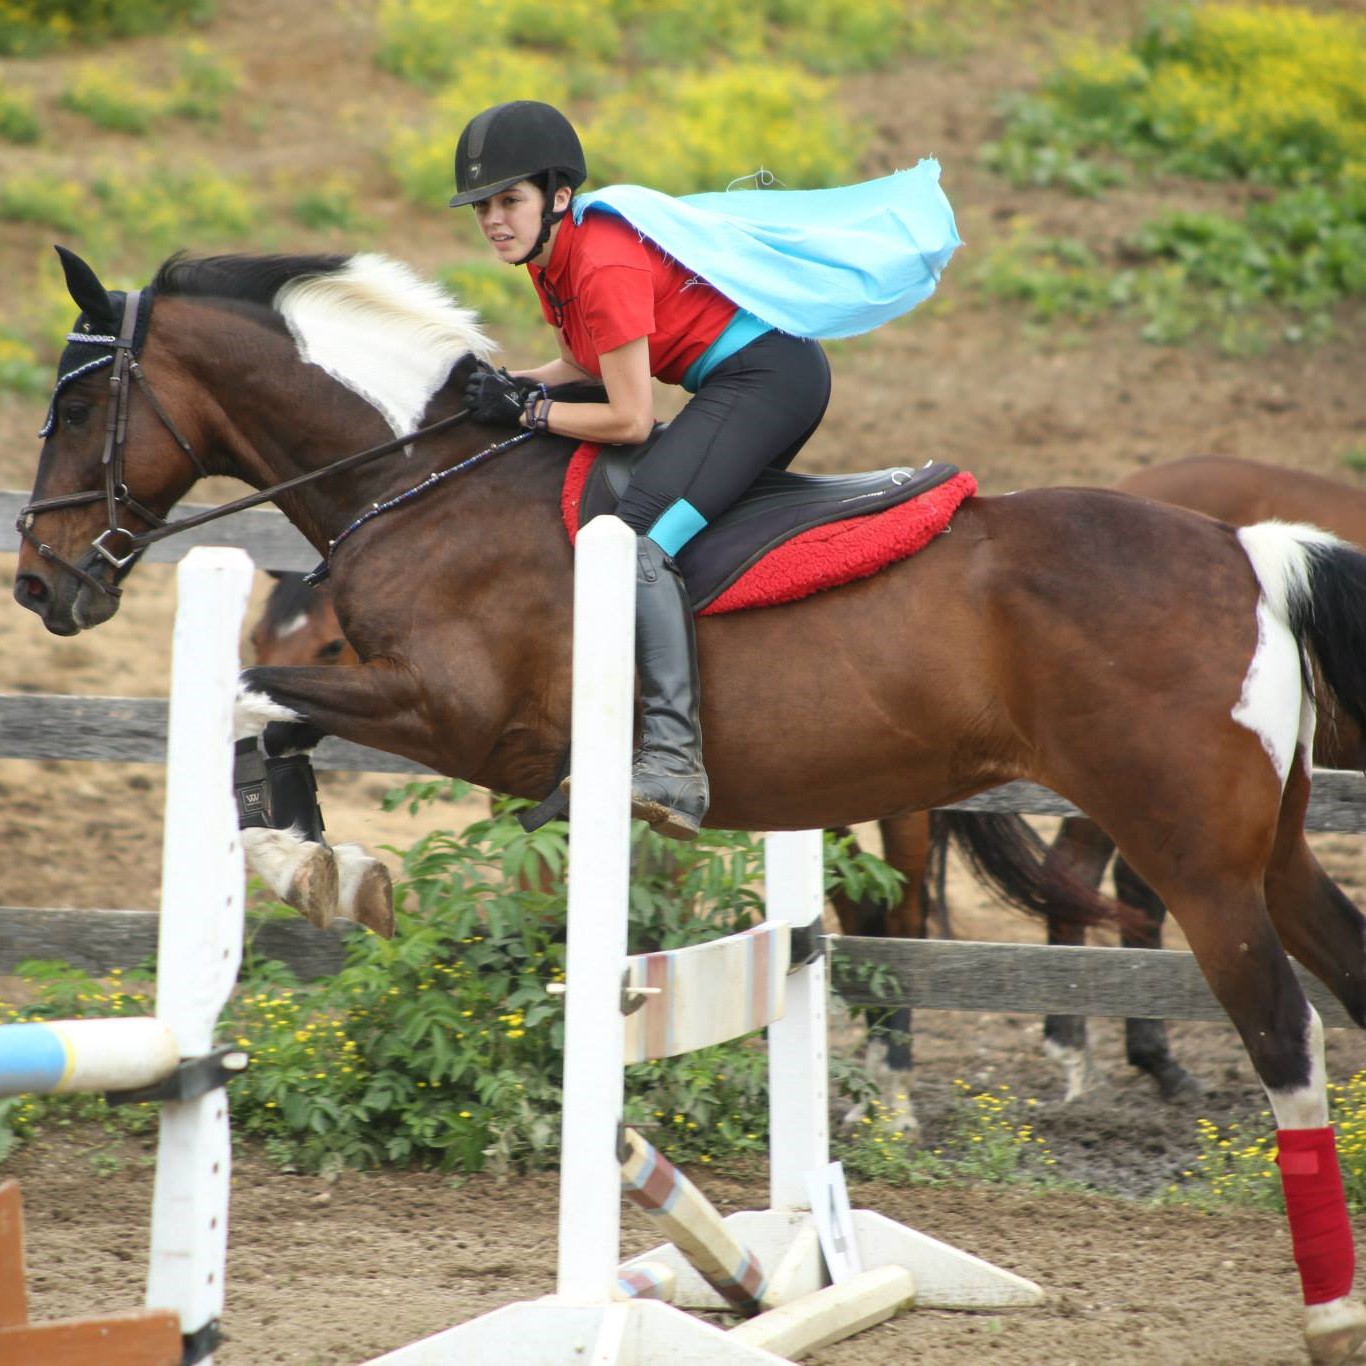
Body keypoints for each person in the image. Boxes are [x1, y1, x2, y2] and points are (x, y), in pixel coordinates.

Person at [450, 100, 960, 841]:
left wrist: (528, 413)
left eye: (509, 201)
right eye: (482, 207)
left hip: (766, 382)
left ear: (558, 196)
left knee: (634, 542)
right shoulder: (553, 254)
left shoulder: (598, 256)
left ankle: (672, 763)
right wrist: (513, 383)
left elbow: (627, 416)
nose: (494, 219)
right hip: (747, 380)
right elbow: (586, 364)